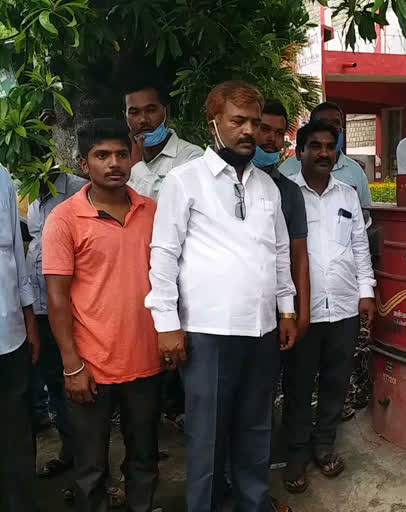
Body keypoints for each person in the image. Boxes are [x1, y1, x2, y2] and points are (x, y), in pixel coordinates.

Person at [145, 81, 297, 512]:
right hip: (207, 333)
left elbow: (280, 254)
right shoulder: (184, 180)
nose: (249, 131)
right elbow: (164, 254)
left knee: (255, 429)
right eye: (238, 121)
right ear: (214, 124)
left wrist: (286, 310)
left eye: (255, 122)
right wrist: (167, 324)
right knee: (207, 436)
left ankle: (253, 503)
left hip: (262, 331)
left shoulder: (267, 187)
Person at [43, 119, 162, 512]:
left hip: (145, 360)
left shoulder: (152, 212)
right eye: (102, 155)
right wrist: (71, 365)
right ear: (83, 164)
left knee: (143, 458)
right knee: (91, 467)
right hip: (90, 366)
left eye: (121, 154)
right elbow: (56, 296)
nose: (114, 162)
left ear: (133, 157)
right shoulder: (64, 218)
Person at [282, 119, 376, 494]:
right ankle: (296, 453)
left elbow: (359, 246)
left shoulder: (347, 194)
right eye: (315, 146)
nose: (323, 153)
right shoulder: (287, 195)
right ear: (300, 151)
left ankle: (324, 445)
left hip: (343, 306)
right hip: (303, 311)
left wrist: (366, 290)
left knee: (337, 382)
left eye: (329, 146)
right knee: (298, 384)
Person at [26, 168, 87, 482]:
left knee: (78, 382)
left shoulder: (77, 188)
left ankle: (92, 464)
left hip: (70, 307)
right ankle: (71, 453)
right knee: (54, 382)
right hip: (39, 306)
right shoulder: (29, 193)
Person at [0, 165, 40, 512]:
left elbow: (13, 248)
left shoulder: (0, 176)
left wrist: (29, 320)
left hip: (8, 330)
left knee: (15, 431)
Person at [254, 99, 311, 340]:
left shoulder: (289, 191)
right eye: (264, 129)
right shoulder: (223, 182)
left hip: (277, 307)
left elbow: (298, 255)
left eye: (278, 133)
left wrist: (302, 313)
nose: (271, 139)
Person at [279, 102, 372, 223]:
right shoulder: (287, 169)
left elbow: (364, 214)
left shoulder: (355, 171)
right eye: (323, 122)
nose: (330, 127)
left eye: (336, 123)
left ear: (342, 128)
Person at [124, 77, 203, 200]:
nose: (143, 120)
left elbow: (177, 203)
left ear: (167, 112)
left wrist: (137, 167)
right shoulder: (119, 160)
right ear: (125, 118)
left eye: (151, 110)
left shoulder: (192, 156)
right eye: (134, 113)